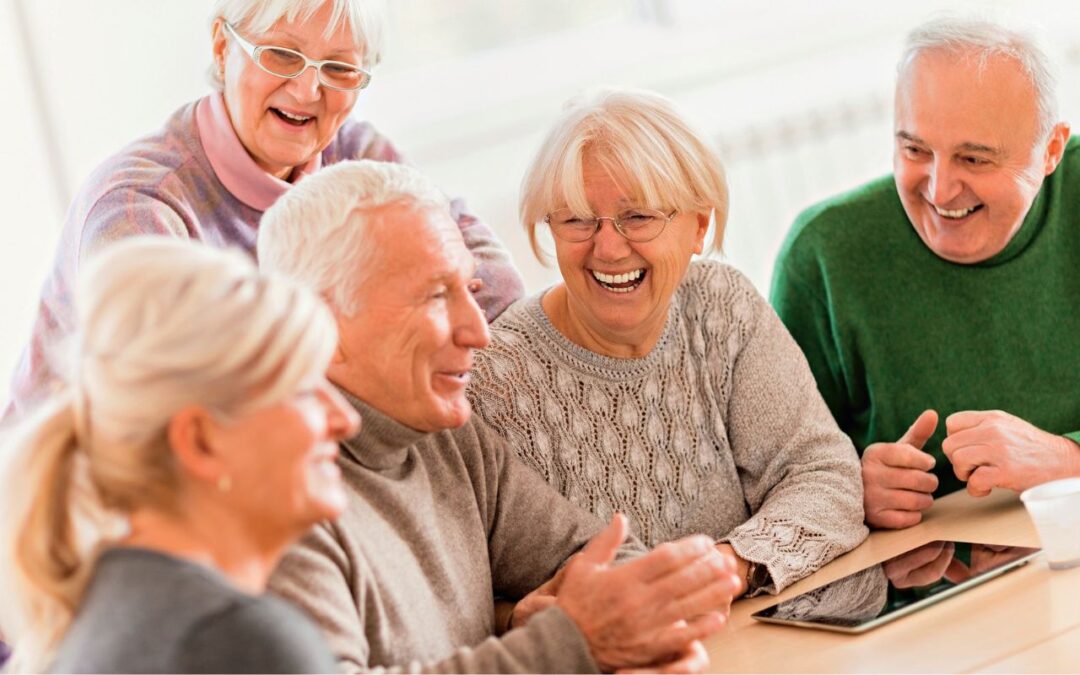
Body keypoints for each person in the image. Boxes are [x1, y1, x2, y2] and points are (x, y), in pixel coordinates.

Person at [257, 159, 743, 674]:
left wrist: (543, 626)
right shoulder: (274, 500)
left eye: (469, 290)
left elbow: (595, 557)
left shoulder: (444, 433)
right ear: (317, 325)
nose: (478, 332)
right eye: (435, 296)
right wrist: (570, 643)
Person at [7, 0, 523, 419]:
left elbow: (496, 286)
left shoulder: (357, 153)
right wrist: (380, 334)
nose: (306, 90)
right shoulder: (140, 205)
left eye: (340, 68)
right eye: (281, 55)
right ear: (222, 46)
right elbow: (189, 401)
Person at [466, 87, 867, 600]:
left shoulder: (722, 307)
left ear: (698, 226)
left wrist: (728, 568)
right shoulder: (493, 380)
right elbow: (477, 595)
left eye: (638, 217)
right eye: (576, 219)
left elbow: (823, 473)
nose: (608, 248)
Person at [771, 17, 1080, 530]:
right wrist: (846, 489)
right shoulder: (822, 256)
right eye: (915, 151)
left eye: (974, 158)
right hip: (929, 591)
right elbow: (769, 480)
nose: (938, 191)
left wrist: (1065, 460)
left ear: (1050, 150)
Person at [0, 238, 358, 673]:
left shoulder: (105, 613)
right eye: (303, 390)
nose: (345, 419)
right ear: (201, 441)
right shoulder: (237, 641)